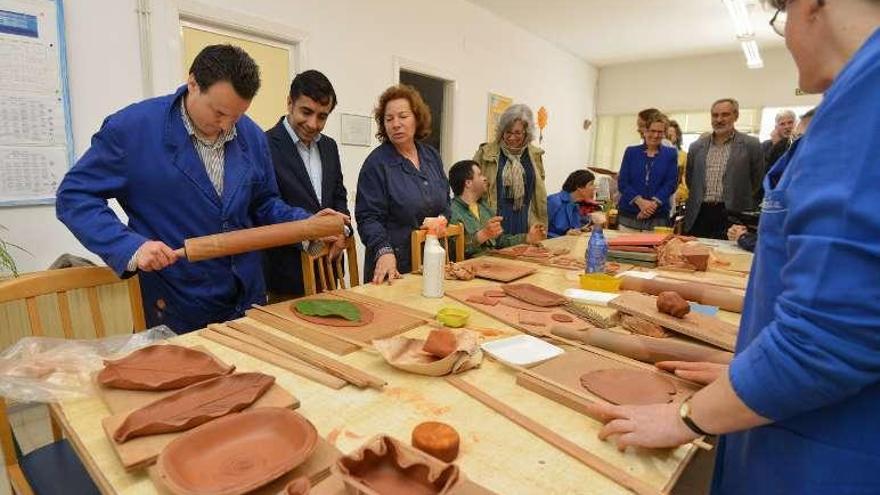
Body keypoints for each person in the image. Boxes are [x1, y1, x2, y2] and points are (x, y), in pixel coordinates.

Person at [594, 2, 880, 494]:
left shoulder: (868, 106)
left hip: (823, 449)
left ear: (812, 5)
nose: (786, 37)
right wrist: (750, 365)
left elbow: (829, 337)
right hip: (793, 408)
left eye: (780, 16)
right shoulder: (855, 100)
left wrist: (685, 417)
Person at [56, 45, 346, 333]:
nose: (227, 126)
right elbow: (74, 196)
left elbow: (263, 203)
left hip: (247, 302)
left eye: (237, 115)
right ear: (193, 83)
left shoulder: (251, 136)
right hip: (176, 304)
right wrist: (131, 246)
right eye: (219, 112)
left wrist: (306, 225)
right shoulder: (134, 129)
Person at [263, 70, 352, 301]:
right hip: (286, 277)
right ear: (290, 103)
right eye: (306, 112)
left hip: (329, 270)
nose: (313, 124)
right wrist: (309, 232)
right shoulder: (264, 144)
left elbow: (338, 196)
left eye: (322, 116)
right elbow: (265, 206)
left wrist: (343, 231)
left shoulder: (329, 147)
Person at [355, 84, 450, 284]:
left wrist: (442, 220)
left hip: (430, 261)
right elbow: (368, 218)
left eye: (403, 116)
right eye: (389, 119)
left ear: (417, 118)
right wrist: (383, 250)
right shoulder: (377, 163)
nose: (395, 124)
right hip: (393, 266)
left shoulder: (431, 156)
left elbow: (446, 203)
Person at [728, 108, 816, 252]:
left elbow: (783, 245)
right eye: (783, 124)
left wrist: (744, 238)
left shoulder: (815, 190)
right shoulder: (768, 147)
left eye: (790, 123)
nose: (787, 127)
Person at [683, 98, 763, 239]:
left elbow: (757, 179)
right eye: (715, 115)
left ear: (736, 116)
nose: (719, 119)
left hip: (733, 213)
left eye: (725, 114)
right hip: (700, 213)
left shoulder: (751, 145)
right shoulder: (696, 146)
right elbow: (691, 179)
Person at [473, 104, 548, 236]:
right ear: (502, 131)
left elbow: (537, 194)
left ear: (527, 132)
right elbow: (472, 188)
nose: (512, 137)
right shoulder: (485, 153)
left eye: (517, 133)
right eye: (508, 132)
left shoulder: (534, 155)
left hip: (525, 220)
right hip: (494, 218)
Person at [448, 160, 545, 258]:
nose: (485, 178)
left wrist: (527, 238)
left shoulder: (484, 207)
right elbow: (452, 251)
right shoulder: (451, 211)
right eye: (480, 175)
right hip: (469, 269)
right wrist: (482, 235)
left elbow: (499, 241)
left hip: (493, 263)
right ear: (468, 183)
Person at [616, 113, 678, 231]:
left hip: (658, 217)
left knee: (655, 249)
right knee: (625, 249)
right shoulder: (631, 152)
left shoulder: (671, 154)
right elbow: (623, 183)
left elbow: (671, 184)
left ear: (664, 133)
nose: (655, 135)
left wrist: (651, 206)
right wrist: (640, 202)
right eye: (652, 130)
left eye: (660, 132)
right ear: (645, 131)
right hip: (629, 215)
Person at [546, 170, 597, 237]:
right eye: (591, 184)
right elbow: (540, 231)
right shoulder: (553, 201)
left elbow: (572, 229)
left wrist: (581, 230)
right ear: (579, 187)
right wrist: (563, 236)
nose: (594, 188)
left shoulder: (575, 205)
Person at [667, 120, 689, 207]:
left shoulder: (683, 156)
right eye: (666, 135)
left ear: (677, 136)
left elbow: (685, 181)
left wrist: (676, 194)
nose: (668, 138)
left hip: (676, 198)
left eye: (671, 135)